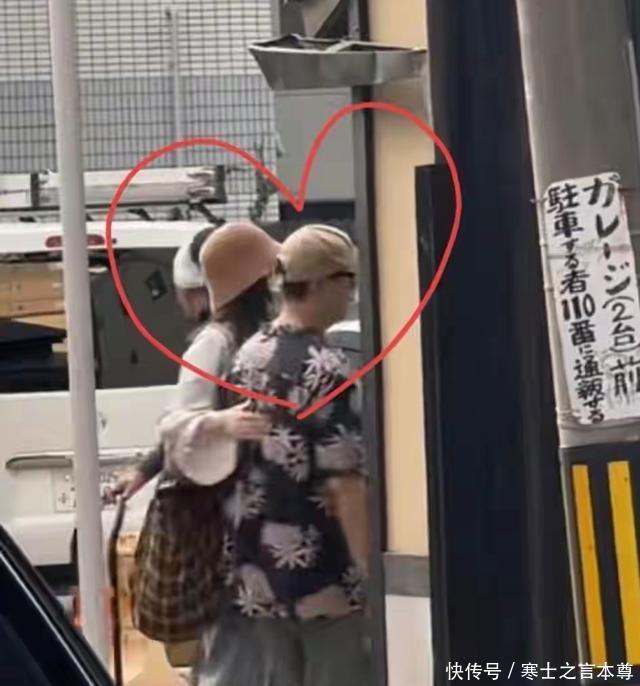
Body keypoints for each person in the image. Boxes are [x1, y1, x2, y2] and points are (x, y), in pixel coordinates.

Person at [196, 224, 372, 686]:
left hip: (257, 576)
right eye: (348, 281)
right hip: (324, 581)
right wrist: (370, 573)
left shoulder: (248, 356)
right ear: (321, 283)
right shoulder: (327, 370)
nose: (351, 294)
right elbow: (346, 487)